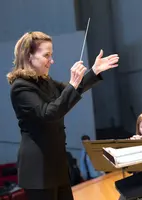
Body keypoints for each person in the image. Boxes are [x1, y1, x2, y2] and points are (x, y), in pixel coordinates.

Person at [8, 31, 119, 200]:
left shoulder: (45, 81)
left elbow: (72, 90)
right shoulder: (21, 87)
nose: (51, 61)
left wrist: (94, 71)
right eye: (46, 55)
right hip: (39, 169)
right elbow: (49, 113)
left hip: (56, 165)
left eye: (51, 55)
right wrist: (73, 84)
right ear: (29, 56)